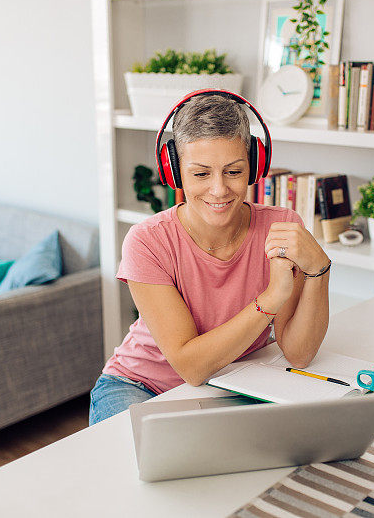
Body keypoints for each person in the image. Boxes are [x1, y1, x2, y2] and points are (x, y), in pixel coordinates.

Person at [89, 92, 332, 424]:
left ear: (255, 166)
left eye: (233, 171)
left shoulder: (281, 227)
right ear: (175, 172)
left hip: (230, 383)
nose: (219, 190)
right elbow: (191, 367)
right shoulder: (147, 241)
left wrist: (319, 271)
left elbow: (300, 353)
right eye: (201, 174)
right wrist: (272, 298)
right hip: (140, 385)